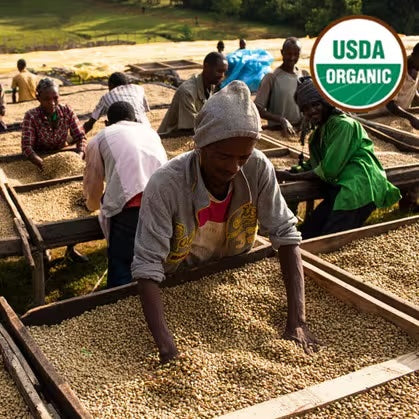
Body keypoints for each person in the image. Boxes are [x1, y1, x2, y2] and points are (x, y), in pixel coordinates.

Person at [132, 81, 319, 364]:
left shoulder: (257, 167)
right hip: (180, 279)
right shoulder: (166, 184)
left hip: (232, 270)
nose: (234, 168)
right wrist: (168, 349)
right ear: (200, 146)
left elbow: (285, 233)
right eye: (223, 156)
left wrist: (297, 321)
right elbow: (147, 265)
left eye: (243, 157)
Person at [277, 77, 401, 239]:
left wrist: (293, 176)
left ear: (326, 102)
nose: (311, 111)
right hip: (339, 188)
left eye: (316, 104)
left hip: (359, 187)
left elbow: (329, 169)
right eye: (306, 108)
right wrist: (289, 171)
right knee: (307, 232)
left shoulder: (343, 125)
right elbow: (315, 163)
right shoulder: (321, 130)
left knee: (329, 238)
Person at [84, 101, 167, 288]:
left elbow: (93, 179)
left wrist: (92, 205)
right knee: (157, 258)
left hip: (132, 207)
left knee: (122, 262)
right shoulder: (150, 132)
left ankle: (120, 303)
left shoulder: (99, 138)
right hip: (165, 201)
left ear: (107, 123)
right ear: (134, 119)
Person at [21, 78, 87, 262]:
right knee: (44, 206)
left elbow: (80, 137)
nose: (52, 103)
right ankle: (45, 250)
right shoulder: (31, 116)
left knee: (72, 205)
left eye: (55, 98)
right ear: (38, 98)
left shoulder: (66, 111)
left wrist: (78, 155)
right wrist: (43, 164)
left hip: (65, 159)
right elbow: (27, 147)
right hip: (40, 163)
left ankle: (71, 247)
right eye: (47, 99)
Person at [158, 52, 227, 136]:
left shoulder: (211, 85)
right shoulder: (187, 92)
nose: (222, 76)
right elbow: (192, 129)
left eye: (224, 72)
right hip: (170, 138)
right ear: (206, 67)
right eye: (219, 71)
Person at [255, 37, 308, 134]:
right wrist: (281, 120)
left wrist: (305, 119)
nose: (292, 58)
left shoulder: (304, 75)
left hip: (298, 131)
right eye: (288, 54)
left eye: (296, 54)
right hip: (277, 131)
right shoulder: (271, 78)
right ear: (282, 52)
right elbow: (258, 109)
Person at [83, 72, 150, 134]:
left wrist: (79, 135)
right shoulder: (139, 89)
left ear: (111, 85)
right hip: (147, 128)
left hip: (123, 133)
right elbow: (144, 110)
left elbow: (90, 123)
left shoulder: (106, 97)